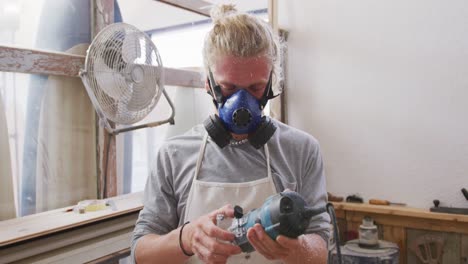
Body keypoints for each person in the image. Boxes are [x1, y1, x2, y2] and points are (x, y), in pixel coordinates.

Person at [131, 4, 329, 264]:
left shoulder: (301, 150)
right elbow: (140, 253)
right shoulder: (174, 155)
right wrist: (187, 238)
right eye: (228, 87)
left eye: (256, 87)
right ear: (208, 83)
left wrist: (299, 250)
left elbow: (321, 246)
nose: (241, 102)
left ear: (272, 83)